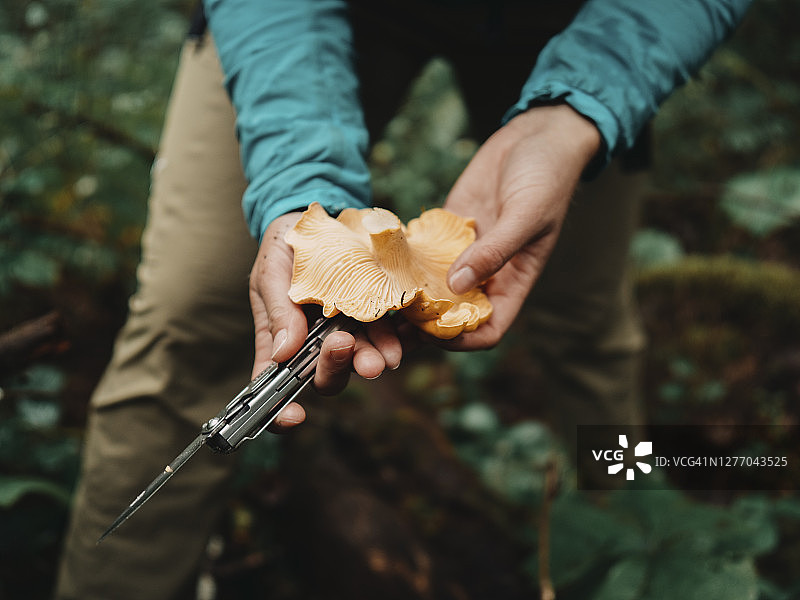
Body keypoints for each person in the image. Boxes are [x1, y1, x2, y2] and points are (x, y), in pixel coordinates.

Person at [55, 0, 751, 597]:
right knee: (192, 313)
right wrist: (299, 187)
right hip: (311, 20)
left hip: (583, 21)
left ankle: (640, 543)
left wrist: (579, 110)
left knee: (586, 322)